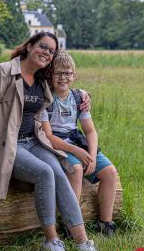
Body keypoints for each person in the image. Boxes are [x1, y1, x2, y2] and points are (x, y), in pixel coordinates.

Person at [0, 32, 108, 251]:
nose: (46, 52)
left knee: (59, 173)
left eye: (51, 51)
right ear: (29, 46)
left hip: (35, 141)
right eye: (42, 47)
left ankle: (83, 243)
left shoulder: (40, 79)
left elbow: (65, 86)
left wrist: (85, 95)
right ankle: (52, 242)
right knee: (44, 172)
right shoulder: (3, 71)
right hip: (9, 145)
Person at [40, 52, 118, 238]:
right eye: (58, 73)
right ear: (50, 74)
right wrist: (77, 152)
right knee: (75, 169)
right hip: (57, 144)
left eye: (68, 73)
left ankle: (105, 222)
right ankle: (71, 224)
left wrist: (90, 154)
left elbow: (90, 131)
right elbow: (48, 136)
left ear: (74, 76)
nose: (63, 77)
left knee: (110, 172)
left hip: (76, 140)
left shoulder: (78, 98)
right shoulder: (47, 100)